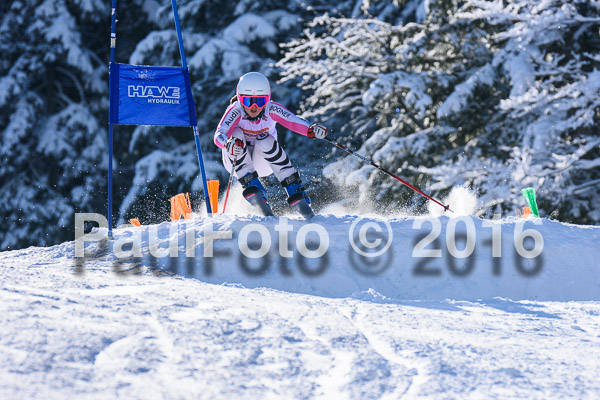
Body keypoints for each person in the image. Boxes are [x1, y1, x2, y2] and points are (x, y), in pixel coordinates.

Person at [213, 71, 328, 215]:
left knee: (264, 139)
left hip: (264, 162)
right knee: (235, 134)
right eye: (248, 101)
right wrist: (228, 144)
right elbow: (219, 134)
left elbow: (292, 120)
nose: (254, 107)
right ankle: (253, 186)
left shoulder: (271, 109)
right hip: (235, 161)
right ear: (240, 99)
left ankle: (294, 188)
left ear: (267, 100)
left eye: (260, 101)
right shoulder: (236, 111)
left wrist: (310, 130)